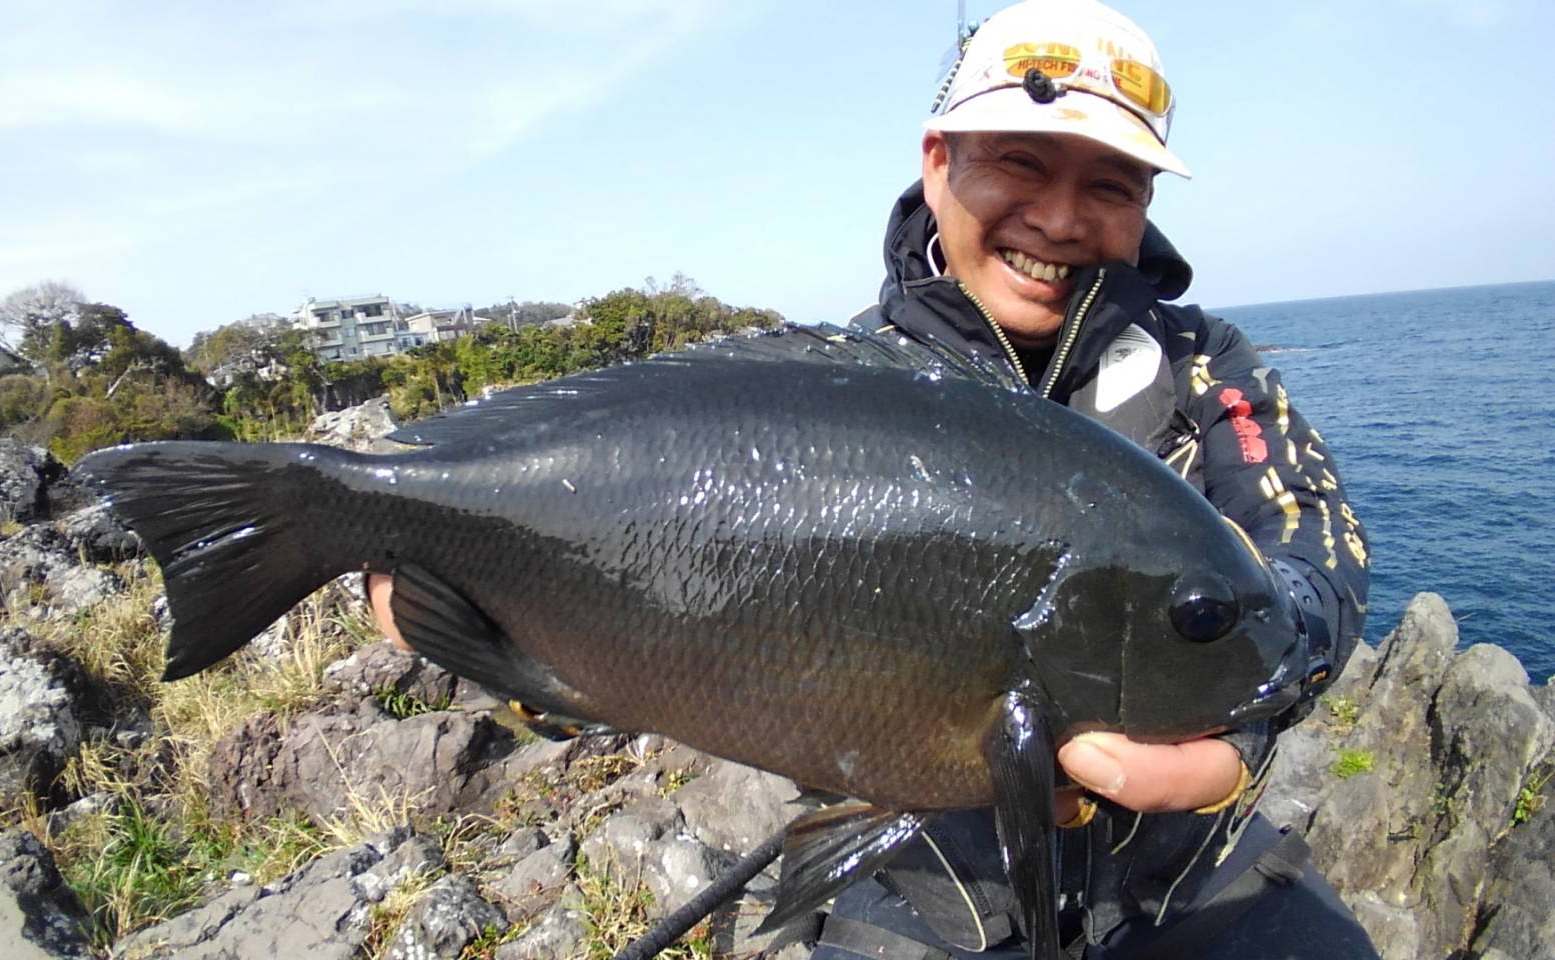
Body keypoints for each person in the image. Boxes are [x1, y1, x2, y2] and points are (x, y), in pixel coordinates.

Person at [370, 0, 1377, 956]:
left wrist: (1246, 715)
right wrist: (476, 613)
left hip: (1187, 874)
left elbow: (1316, 558)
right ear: (937, 163)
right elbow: (630, 636)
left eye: (1110, 184)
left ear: (1145, 204)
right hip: (920, 888)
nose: (1061, 219)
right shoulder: (831, 394)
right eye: (1019, 164)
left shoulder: (1204, 366)